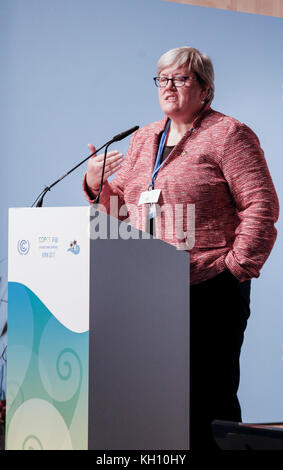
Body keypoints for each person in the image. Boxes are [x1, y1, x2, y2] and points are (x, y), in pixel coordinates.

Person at [83, 46, 279, 449]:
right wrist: (95, 182)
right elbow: (121, 210)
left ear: (205, 89)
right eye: (162, 79)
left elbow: (261, 205)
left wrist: (235, 267)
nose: (168, 86)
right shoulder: (142, 139)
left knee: (208, 399)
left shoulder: (229, 134)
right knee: (153, 398)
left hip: (209, 286)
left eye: (181, 78)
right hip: (149, 291)